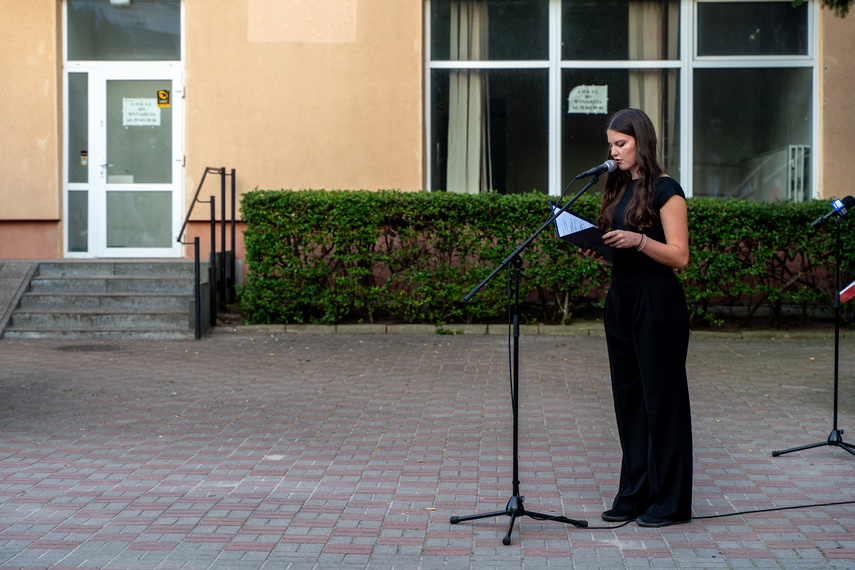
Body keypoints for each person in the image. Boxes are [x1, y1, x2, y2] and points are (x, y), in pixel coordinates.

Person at [581, 108, 692, 528]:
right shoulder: (618, 186)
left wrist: (640, 240)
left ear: (642, 141)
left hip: (657, 301)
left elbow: (679, 256)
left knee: (661, 399)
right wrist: (601, 248)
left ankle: (671, 502)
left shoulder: (667, 190)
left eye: (620, 143)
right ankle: (635, 493)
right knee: (628, 399)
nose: (613, 151)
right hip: (622, 299)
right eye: (610, 144)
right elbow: (621, 246)